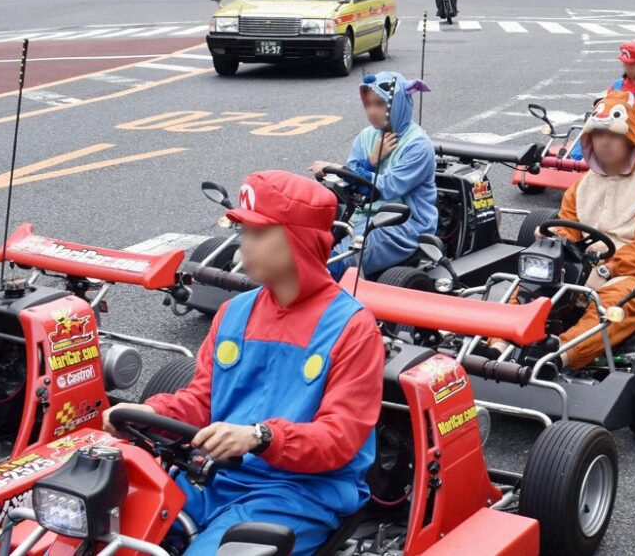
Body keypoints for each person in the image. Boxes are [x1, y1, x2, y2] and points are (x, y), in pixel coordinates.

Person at [104, 170, 385, 555]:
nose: (242, 246)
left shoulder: (352, 328)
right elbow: (201, 401)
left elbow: (339, 439)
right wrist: (146, 411)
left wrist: (261, 437)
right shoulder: (233, 314)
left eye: (256, 234)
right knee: (100, 525)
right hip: (212, 476)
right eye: (243, 232)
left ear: (298, 240)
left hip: (297, 493)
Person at [515, 91, 635, 372]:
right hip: (586, 265)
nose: (605, 141)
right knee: (527, 288)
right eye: (599, 134)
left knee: (605, 305)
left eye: (613, 135)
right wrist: (553, 240)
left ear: (630, 138)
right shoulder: (580, 186)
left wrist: (607, 269)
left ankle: (560, 357)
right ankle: (498, 344)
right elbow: (569, 232)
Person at [309, 72, 437, 281]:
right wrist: (371, 161)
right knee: (308, 241)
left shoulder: (418, 145)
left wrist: (339, 167)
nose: (371, 111)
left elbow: (384, 188)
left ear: (397, 105)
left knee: (338, 261)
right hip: (362, 215)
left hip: (404, 224)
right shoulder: (366, 136)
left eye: (379, 104)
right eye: (368, 104)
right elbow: (351, 180)